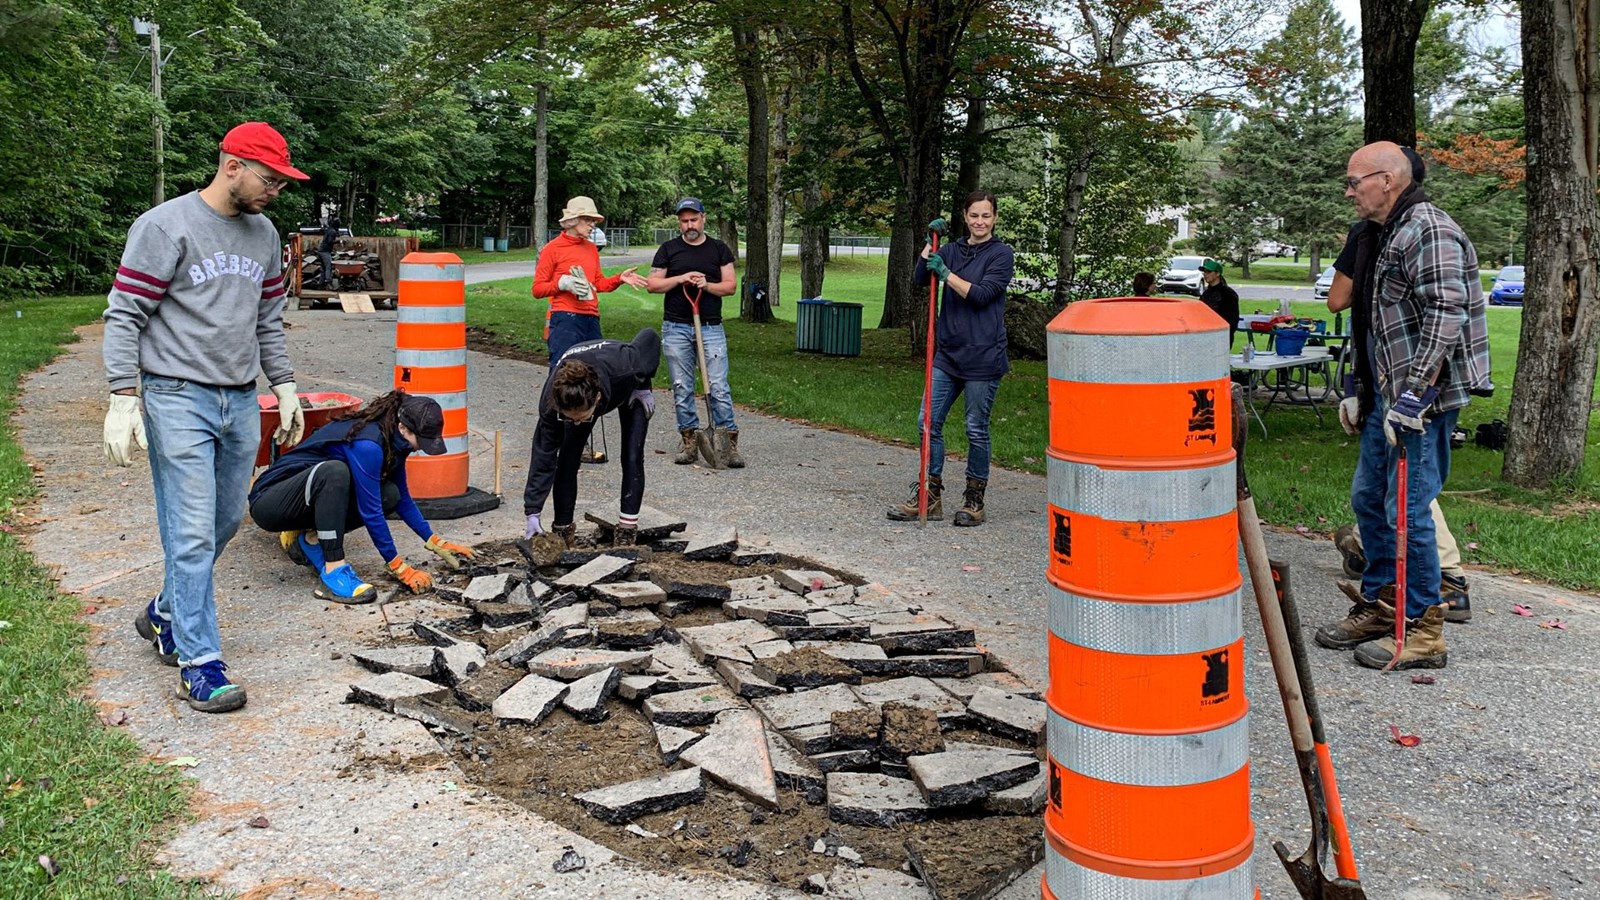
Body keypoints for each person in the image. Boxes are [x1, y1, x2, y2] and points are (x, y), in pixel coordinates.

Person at [103, 121, 309, 713]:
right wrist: (123, 395)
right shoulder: (165, 226)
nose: (276, 191)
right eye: (270, 179)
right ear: (232, 166)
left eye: (282, 182)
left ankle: (165, 612)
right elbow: (125, 313)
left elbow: (267, 320)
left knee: (223, 523)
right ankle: (199, 663)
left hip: (239, 399)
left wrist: (285, 386)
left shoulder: (264, 233)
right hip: (176, 395)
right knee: (191, 532)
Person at [1313, 141, 1490, 670]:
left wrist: (1414, 394)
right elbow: (1371, 320)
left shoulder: (1427, 229)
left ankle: (1422, 630)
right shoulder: (1380, 233)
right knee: (1369, 498)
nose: (1349, 192)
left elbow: (1447, 311)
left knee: (1407, 512)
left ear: (1387, 180)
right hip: (1385, 397)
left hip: (1419, 401)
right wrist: (1357, 387)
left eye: (1355, 182)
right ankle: (1382, 605)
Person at [248, 391, 476, 601]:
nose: (421, 448)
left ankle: (310, 540)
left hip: (308, 499)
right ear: (404, 428)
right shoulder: (369, 445)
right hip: (270, 502)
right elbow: (371, 510)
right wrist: (397, 565)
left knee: (390, 494)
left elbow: (403, 499)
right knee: (334, 472)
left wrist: (434, 540)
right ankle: (333, 571)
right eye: (422, 441)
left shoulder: (396, 438)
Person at [886, 190, 1015, 527]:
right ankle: (930, 496)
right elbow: (920, 278)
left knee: (975, 428)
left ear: (994, 218)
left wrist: (946, 274)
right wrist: (929, 245)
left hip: (984, 357)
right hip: (949, 355)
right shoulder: (953, 250)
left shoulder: (1001, 254)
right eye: (974, 215)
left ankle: (974, 500)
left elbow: (982, 295)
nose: (980, 222)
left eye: (986, 215)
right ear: (965, 217)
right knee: (927, 423)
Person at [522, 329, 661, 547]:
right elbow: (543, 457)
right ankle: (563, 530)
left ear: (597, 399)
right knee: (568, 458)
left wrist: (642, 383)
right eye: (570, 418)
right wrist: (533, 511)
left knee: (632, 455)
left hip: (627, 384)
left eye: (581, 417)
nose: (576, 422)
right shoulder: (552, 404)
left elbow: (649, 337)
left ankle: (626, 530)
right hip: (586, 390)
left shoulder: (628, 365)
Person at [646, 198, 744, 468]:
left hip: (711, 327)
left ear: (703, 218)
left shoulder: (718, 249)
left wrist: (706, 284)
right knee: (682, 386)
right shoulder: (668, 249)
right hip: (675, 327)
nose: (689, 225)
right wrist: (680, 278)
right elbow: (652, 285)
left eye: (693, 220)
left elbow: (730, 286)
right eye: (684, 221)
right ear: (679, 223)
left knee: (718, 386)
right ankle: (689, 440)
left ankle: (728, 443)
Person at [532, 196, 647, 365]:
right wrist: (562, 284)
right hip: (565, 319)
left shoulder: (591, 248)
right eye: (588, 220)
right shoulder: (552, 249)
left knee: (595, 369)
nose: (593, 225)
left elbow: (598, 283)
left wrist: (619, 278)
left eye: (594, 221)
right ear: (573, 220)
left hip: (592, 318)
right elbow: (537, 289)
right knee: (563, 370)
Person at [1199, 258, 1240, 348]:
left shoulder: (1228, 294)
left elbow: (1233, 319)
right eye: (1204, 271)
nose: (1205, 274)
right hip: (1204, 336)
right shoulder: (1206, 293)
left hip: (1222, 337)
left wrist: (1225, 334)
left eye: (1208, 272)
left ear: (1217, 274)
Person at [315, 213, 341, 289]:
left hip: (321, 250)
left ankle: (320, 284)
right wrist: (338, 241)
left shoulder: (329, 229)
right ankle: (328, 282)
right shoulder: (333, 231)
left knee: (323, 268)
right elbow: (330, 241)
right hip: (325, 251)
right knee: (328, 266)